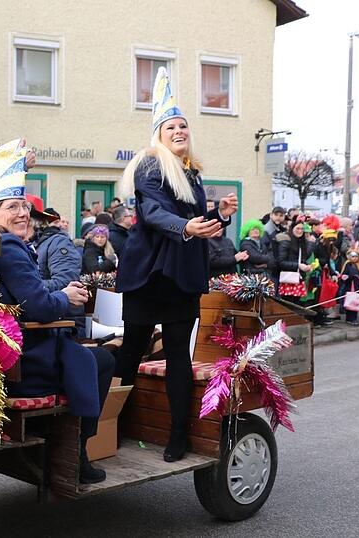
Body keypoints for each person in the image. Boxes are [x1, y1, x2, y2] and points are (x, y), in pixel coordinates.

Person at [114, 67, 237, 462]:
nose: (180, 131)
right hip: (149, 277)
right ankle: (114, 424)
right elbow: (152, 213)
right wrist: (185, 226)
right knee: (131, 351)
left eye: (184, 126)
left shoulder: (193, 173)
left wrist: (220, 216)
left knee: (179, 357)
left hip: (181, 278)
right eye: (172, 127)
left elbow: (199, 223)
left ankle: (178, 434)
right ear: (159, 136)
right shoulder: (150, 166)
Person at [0, 193, 114, 484]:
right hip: (23, 358)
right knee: (102, 359)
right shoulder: (9, 245)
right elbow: (39, 307)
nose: (23, 213)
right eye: (12, 207)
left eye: (24, 206)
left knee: (87, 356)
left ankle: (69, 446)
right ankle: (77, 451)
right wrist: (65, 297)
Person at [31, 200, 85, 337]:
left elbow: (67, 282)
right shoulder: (31, 243)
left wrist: (25, 285)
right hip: (42, 320)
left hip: (63, 325)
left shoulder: (58, 242)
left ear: (36, 221)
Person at [275, 216, 316, 303]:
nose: (300, 231)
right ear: (292, 228)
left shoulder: (302, 242)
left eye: (302, 229)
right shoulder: (286, 241)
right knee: (288, 305)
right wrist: (298, 265)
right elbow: (281, 262)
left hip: (298, 278)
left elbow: (305, 257)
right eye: (297, 228)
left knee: (296, 304)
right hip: (288, 279)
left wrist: (307, 267)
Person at [339, 248, 359, 326]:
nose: (355, 258)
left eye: (356, 256)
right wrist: (348, 277)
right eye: (352, 256)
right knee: (349, 302)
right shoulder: (347, 264)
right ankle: (348, 317)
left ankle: (354, 318)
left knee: (355, 303)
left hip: (358, 287)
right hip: (349, 286)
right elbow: (343, 275)